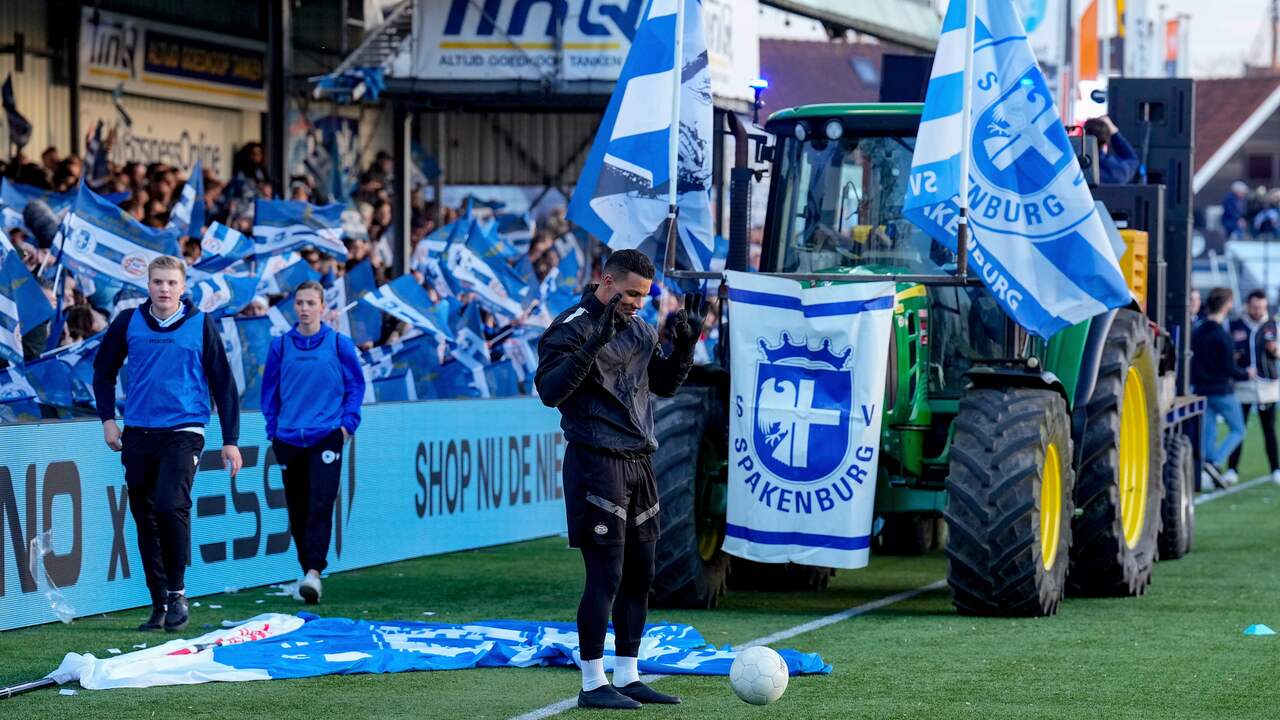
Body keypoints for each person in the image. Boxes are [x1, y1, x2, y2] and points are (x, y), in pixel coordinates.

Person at [534, 249, 700, 710]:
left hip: (639, 462)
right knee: (605, 575)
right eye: (630, 294)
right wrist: (592, 345)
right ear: (605, 282)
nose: (637, 303)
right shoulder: (569, 327)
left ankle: (628, 675)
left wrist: (685, 345)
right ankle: (592, 683)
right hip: (595, 463)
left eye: (644, 296)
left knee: (640, 574)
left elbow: (664, 385)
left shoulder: (641, 328)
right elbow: (549, 393)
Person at [92, 256, 243, 632]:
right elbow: (103, 370)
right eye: (158, 282)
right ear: (148, 284)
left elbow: (223, 382)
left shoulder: (199, 323)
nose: (164, 289)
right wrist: (108, 419)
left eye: (171, 283)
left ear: (182, 286)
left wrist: (231, 440)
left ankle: (177, 592)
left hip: (184, 430)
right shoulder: (129, 322)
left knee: (169, 504)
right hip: (139, 432)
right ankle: (158, 601)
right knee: (145, 518)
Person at [260, 281, 365, 604]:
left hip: (327, 436)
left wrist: (347, 426)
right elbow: (269, 391)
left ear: (323, 307)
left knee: (320, 503)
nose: (304, 308)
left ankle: (314, 573)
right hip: (289, 437)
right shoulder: (281, 346)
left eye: (310, 303)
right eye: (300, 303)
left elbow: (355, 387)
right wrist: (273, 429)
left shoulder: (338, 344)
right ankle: (306, 568)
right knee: (298, 507)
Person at [1191, 287, 1252, 489]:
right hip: (1222, 390)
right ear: (1227, 305)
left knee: (1209, 433)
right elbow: (1229, 368)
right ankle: (1214, 462)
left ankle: (1209, 467)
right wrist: (1247, 374)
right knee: (1238, 429)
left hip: (1200, 389)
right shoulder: (1222, 335)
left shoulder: (1197, 331)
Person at [1227, 290, 1280, 484]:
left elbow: (1278, 354)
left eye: (1262, 307)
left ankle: (1275, 468)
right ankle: (1232, 469)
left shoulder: (1272, 325)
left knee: (1269, 429)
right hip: (1243, 385)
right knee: (1239, 428)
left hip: (1268, 385)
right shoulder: (1235, 325)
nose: (1259, 311)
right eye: (1255, 307)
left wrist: (1274, 350)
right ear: (1248, 306)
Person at [1083, 116, 1140, 185]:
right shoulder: (1120, 170)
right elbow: (1132, 158)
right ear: (1105, 142)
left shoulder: (1075, 166)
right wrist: (1115, 133)